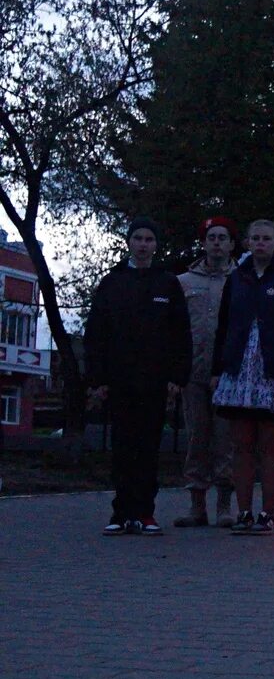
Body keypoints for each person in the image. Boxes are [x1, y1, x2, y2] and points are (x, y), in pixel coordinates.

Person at [86, 218, 192, 536]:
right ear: (128, 242)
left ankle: (145, 513)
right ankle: (121, 513)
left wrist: (177, 377)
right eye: (138, 238)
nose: (143, 244)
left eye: (149, 239)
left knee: (148, 447)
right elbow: (96, 334)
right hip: (119, 380)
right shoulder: (112, 282)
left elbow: (180, 334)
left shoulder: (167, 283)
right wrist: (97, 379)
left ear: (156, 245)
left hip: (155, 381)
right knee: (121, 447)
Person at [211, 220, 274, 535]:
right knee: (242, 444)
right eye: (255, 238)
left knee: (270, 445)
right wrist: (217, 370)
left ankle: (268, 513)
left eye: (267, 239)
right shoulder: (236, 279)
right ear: (247, 243)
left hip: (272, 371)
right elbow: (223, 326)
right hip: (238, 371)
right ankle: (244, 511)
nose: (260, 243)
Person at [174, 216, 237, 528]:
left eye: (222, 237)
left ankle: (225, 504)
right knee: (196, 437)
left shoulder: (241, 279)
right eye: (211, 237)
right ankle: (197, 505)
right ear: (203, 243)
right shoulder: (184, 282)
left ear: (231, 244)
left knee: (226, 439)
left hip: (229, 374)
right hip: (194, 373)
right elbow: (173, 328)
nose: (216, 242)